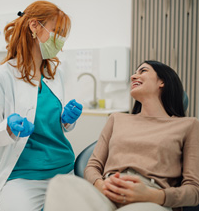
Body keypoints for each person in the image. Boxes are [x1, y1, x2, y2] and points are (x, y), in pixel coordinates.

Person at [43, 61, 199, 211]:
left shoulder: (188, 125)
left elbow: (194, 191)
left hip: (150, 199)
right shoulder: (117, 118)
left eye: (143, 71)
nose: (133, 76)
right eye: (134, 72)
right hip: (106, 192)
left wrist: (154, 195)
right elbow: (92, 166)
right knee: (61, 183)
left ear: (162, 82)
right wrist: (101, 185)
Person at [0, 0, 83, 211]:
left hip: (64, 170)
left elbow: (57, 129)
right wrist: (7, 127)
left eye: (63, 34)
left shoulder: (55, 74)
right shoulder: (0, 77)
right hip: (22, 176)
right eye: (57, 31)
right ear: (35, 26)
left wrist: (66, 120)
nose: (60, 40)